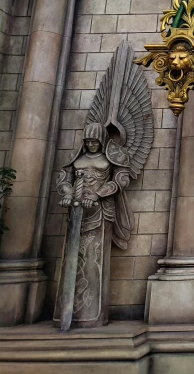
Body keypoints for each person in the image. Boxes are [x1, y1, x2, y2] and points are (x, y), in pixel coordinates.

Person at [54, 123, 133, 327]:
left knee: (93, 259)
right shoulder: (76, 158)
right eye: (88, 141)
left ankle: (93, 314)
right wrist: (68, 193)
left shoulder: (112, 157)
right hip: (76, 211)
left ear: (102, 141)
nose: (91, 145)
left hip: (99, 211)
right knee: (73, 259)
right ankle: (66, 314)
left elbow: (122, 179)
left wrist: (99, 193)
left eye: (94, 141)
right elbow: (64, 177)